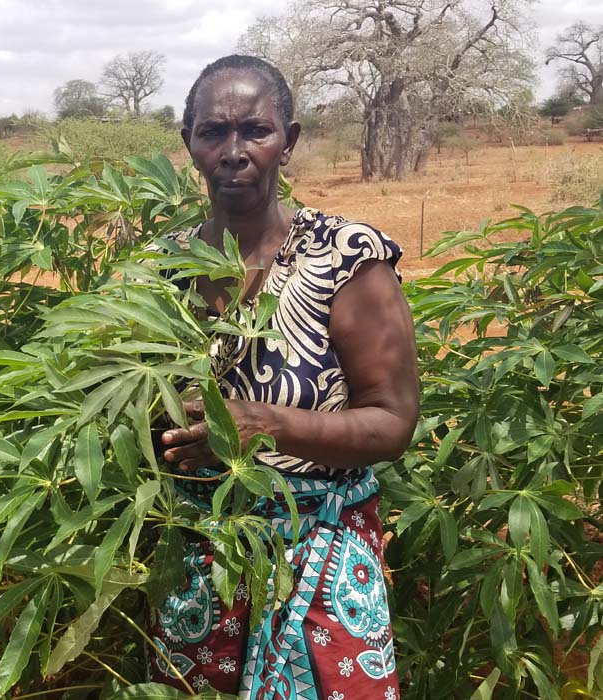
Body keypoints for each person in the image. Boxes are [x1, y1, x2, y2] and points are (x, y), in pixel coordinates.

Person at [147, 55, 419, 700]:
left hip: (321, 553)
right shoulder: (163, 269)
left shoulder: (348, 258)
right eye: (213, 132)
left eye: (256, 131)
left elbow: (391, 423)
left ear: (288, 142)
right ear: (188, 144)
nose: (234, 151)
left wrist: (262, 425)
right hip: (199, 554)